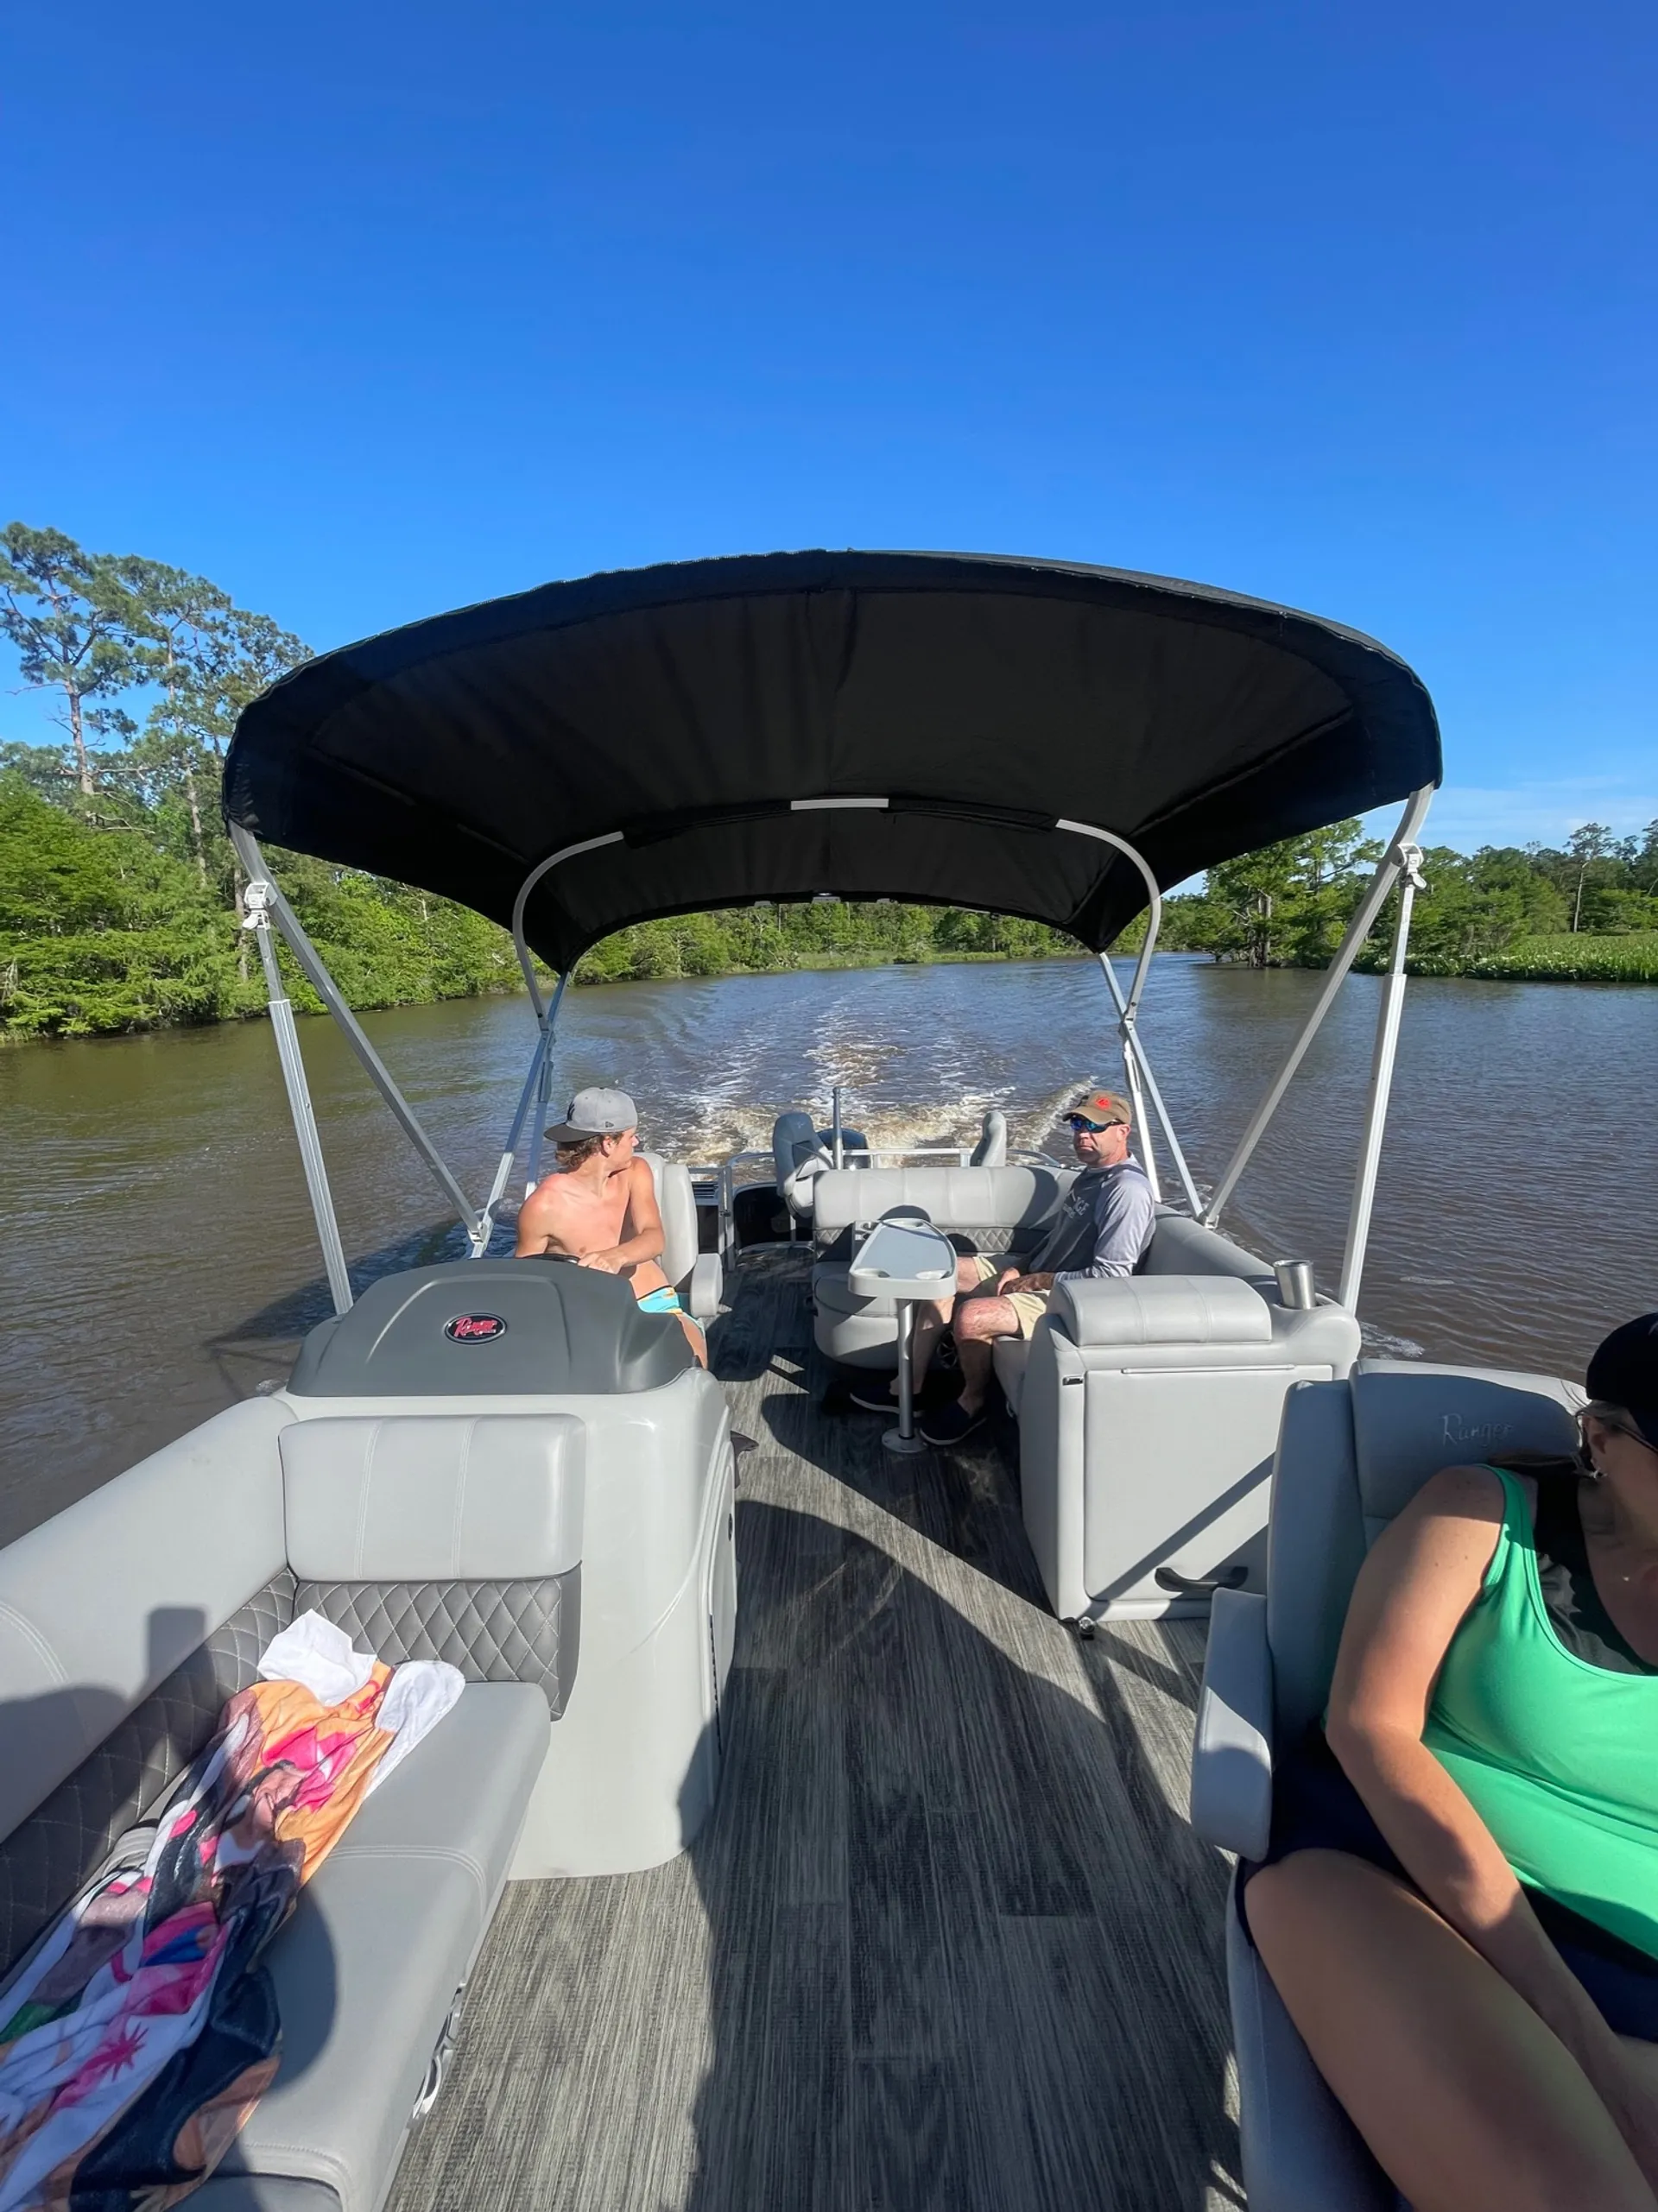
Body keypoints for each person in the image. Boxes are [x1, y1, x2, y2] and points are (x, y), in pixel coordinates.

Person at [1243, 1312, 1658, 2212]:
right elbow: (1368, 1725)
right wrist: (1579, 2035)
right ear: (1600, 1439)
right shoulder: (1481, 1513)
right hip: (1397, 1881)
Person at [851, 1088, 1155, 1444]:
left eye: (1095, 1126)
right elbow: (1054, 1240)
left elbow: (1111, 1277)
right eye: (1078, 1125)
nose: (1083, 1134)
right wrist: (1019, 1268)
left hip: (1076, 1296)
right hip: (1040, 1276)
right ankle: (909, 1387)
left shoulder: (1126, 1191)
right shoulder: (1090, 1176)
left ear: (1123, 1131)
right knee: (938, 1273)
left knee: (972, 1318)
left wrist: (1034, 1280)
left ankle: (973, 1402)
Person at [515, 1086, 706, 1365]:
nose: (637, 1142)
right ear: (608, 1143)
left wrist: (613, 1257)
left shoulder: (635, 1172)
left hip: (656, 1304)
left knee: (692, 1367)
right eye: (631, 1136)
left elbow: (654, 1237)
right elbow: (525, 1286)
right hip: (591, 1319)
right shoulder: (542, 1207)